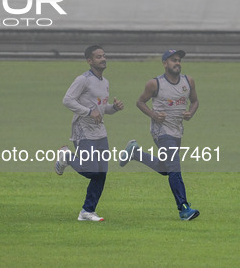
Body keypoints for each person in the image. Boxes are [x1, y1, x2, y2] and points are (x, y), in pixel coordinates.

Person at [120, 49, 200, 221]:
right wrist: (153, 115)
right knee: (175, 168)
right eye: (173, 60)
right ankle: (184, 208)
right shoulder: (154, 84)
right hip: (161, 132)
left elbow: (195, 101)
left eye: (178, 60)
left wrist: (191, 112)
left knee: (166, 169)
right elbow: (140, 102)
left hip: (177, 131)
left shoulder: (189, 81)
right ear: (165, 63)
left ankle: (135, 153)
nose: (177, 63)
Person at [55, 45, 124, 222]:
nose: (103, 59)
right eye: (98, 56)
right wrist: (87, 112)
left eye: (104, 55)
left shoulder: (105, 82)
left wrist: (114, 108)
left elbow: (101, 110)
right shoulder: (83, 80)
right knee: (90, 170)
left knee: (101, 173)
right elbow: (67, 100)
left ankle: (87, 211)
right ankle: (66, 157)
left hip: (100, 132)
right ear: (89, 61)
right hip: (83, 130)